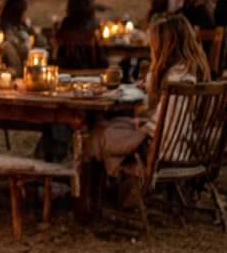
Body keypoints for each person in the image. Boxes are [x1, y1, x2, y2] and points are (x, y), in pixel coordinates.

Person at [89, 15, 210, 194]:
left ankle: (97, 193)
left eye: (153, 47)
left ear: (164, 48)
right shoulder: (190, 74)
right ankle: (121, 190)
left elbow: (161, 129)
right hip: (188, 149)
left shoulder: (175, 82)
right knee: (118, 123)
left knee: (98, 131)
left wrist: (144, 128)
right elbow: (171, 119)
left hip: (161, 153)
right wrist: (146, 122)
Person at [0, 0, 31, 76]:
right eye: (25, 10)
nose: (27, 13)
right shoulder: (10, 32)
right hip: (12, 72)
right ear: (19, 12)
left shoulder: (20, 28)